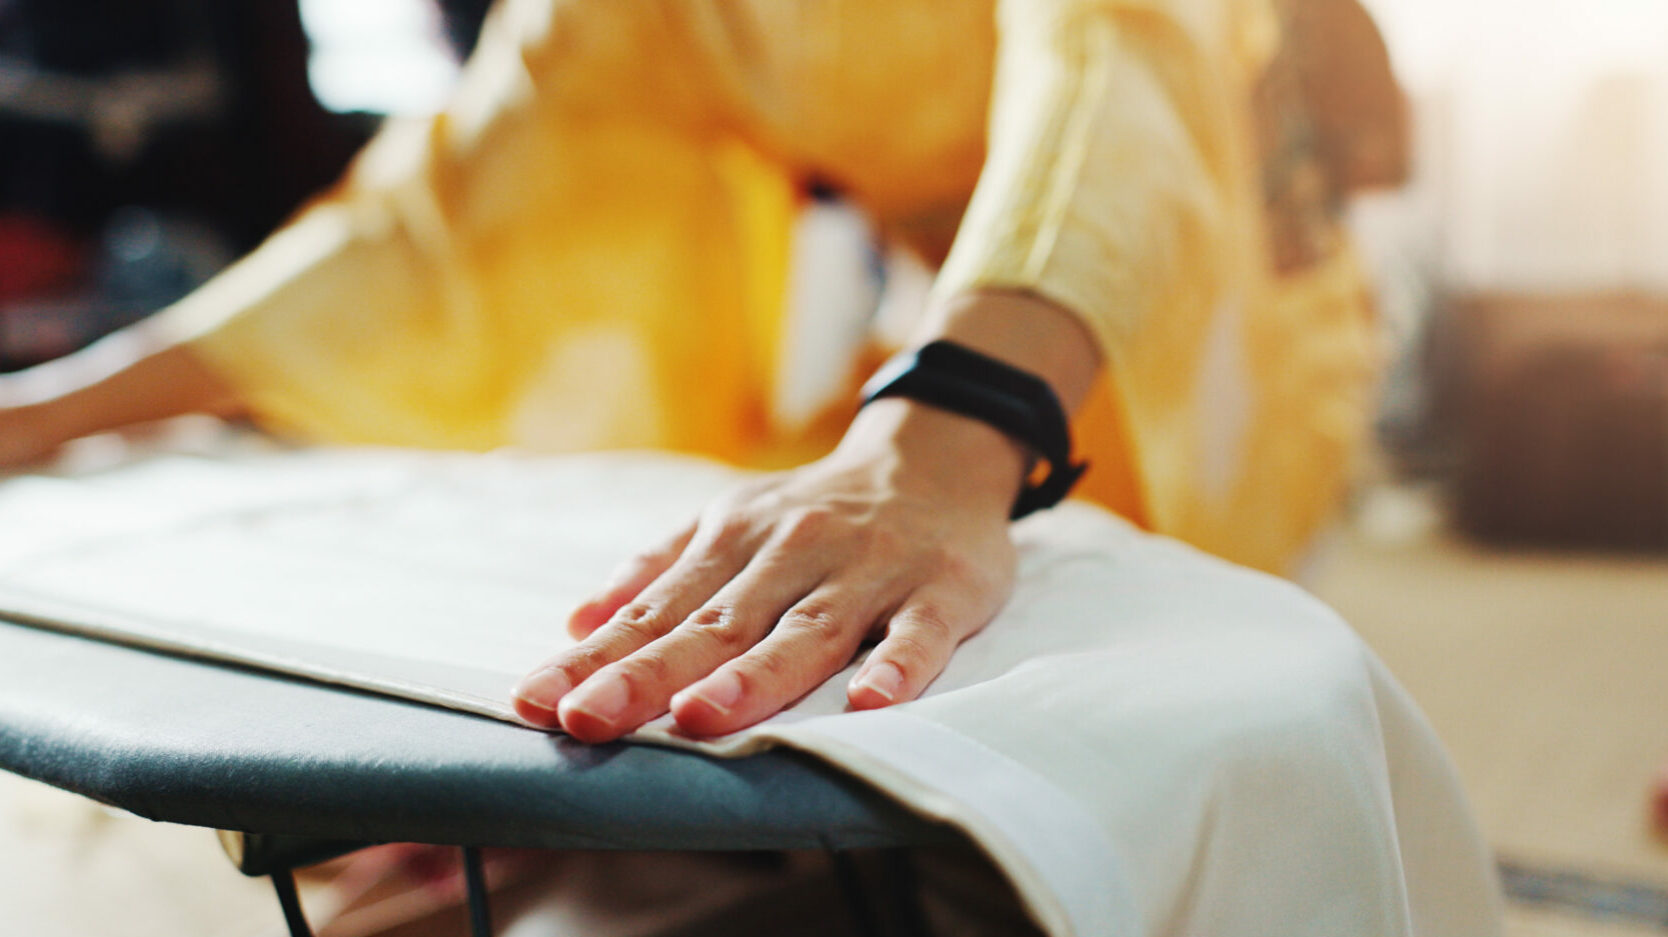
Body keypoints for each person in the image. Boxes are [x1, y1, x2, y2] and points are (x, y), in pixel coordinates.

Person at [0, 0, 1403, 743]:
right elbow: (430, 233)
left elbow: (1123, 82)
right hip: (947, 317)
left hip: (1188, 288)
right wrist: (55, 408)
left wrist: (941, 442)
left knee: (1149, 706)